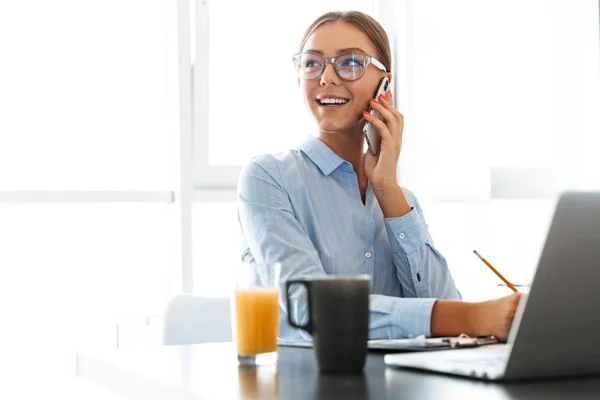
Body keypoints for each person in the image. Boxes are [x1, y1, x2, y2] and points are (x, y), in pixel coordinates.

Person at [237, 10, 521, 341]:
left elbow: (444, 309)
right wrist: (473, 316)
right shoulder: (268, 178)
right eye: (312, 63)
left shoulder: (400, 201)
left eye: (351, 63)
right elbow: (312, 310)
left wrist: (387, 190)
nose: (327, 77)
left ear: (384, 85)